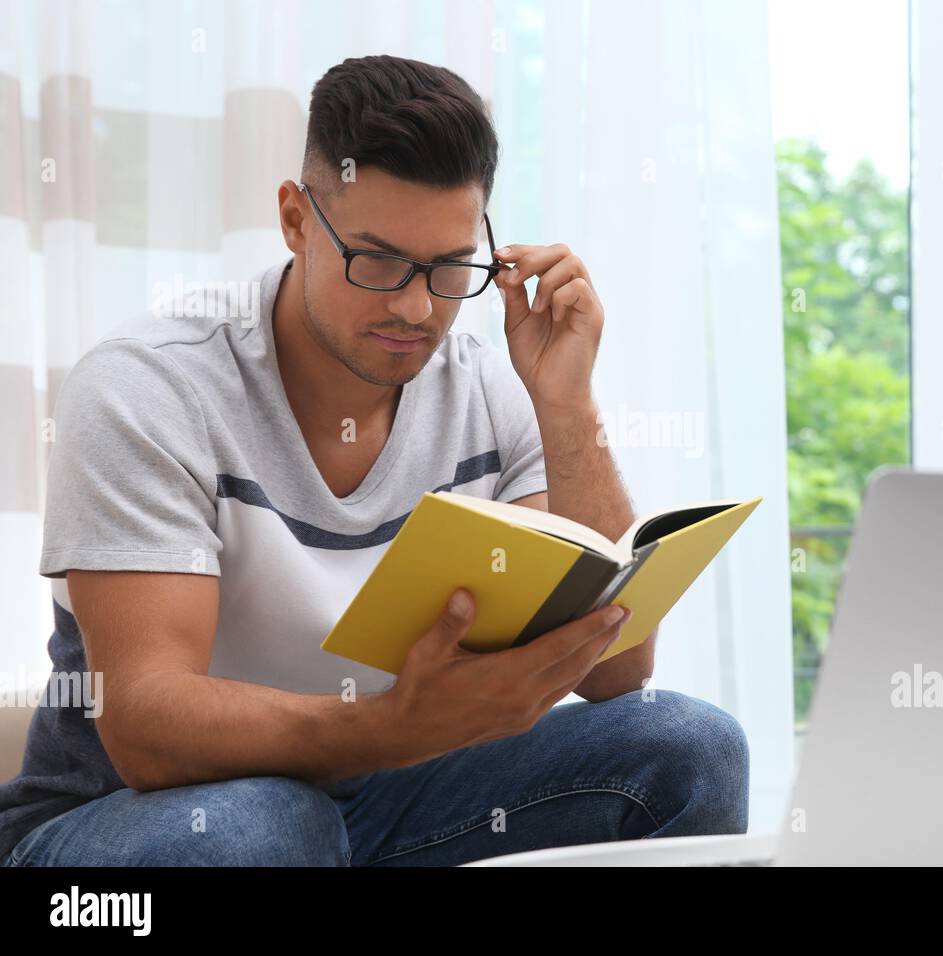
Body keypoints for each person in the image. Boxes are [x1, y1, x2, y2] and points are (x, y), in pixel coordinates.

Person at [0, 54, 748, 866]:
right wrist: (393, 728)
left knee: (688, 746)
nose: (415, 307)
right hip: (131, 824)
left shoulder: (492, 392)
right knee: (272, 827)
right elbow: (148, 733)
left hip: (383, 798)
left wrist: (567, 406)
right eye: (378, 260)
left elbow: (615, 671)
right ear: (295, 219)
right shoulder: (149, 389)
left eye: (448, 267)